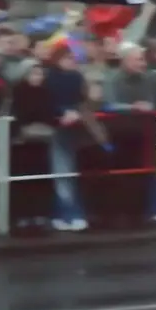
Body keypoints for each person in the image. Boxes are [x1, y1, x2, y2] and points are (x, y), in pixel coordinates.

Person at [104, 43, 156, 223]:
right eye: (138, 59)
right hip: (123, 134)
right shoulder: (112, 79)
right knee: (127, 175)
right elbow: (109, 104)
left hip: (150, 132)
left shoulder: (151, 77)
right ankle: (127, 213)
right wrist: (133, 107)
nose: (142, 63)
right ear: (124, 61)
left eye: (142, 59)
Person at [43, 43, 93, 232]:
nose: (73, 61)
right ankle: (68, 213)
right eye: (69, 58)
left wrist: (76, 112)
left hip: (76, 127)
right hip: (58, 127)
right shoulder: (50, 78)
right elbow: (47, 102)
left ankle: (64, 214)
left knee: (69, 172)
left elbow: (83, 101)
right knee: (63, 171)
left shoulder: (77, 77)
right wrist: (62, 113)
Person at [9, 59, 57, 233]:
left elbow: (50, 114)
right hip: (22, 144)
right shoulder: (16, 92)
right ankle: (22, 216)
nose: (38, 77)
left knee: (41, 179)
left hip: (41, 143)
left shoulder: (46, 92)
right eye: (34, 73)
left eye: (40, 73)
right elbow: (18, 115)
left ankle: (40, 215)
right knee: (23, 180)